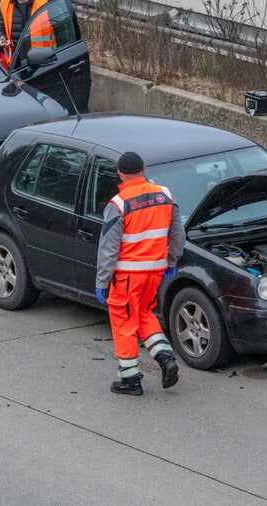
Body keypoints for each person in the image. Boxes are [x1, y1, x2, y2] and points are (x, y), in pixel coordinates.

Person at [95, 151, 185, 396]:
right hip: (155, 271)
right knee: (144, 314)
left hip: (126, 276)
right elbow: (178, 235)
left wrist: (102, 281)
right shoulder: (165, 195)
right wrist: (171, 261)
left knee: (124, 322)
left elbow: (108, 249)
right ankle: (166, 358)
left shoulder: (119, 204)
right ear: (144, 169)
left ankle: (130, 379)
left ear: (120, 174)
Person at [0, 0, 55, 69]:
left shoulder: (45, 2)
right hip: (16, 65)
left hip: (45, 64)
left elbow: (60, 32)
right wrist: (0, 39)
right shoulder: (4, 4)